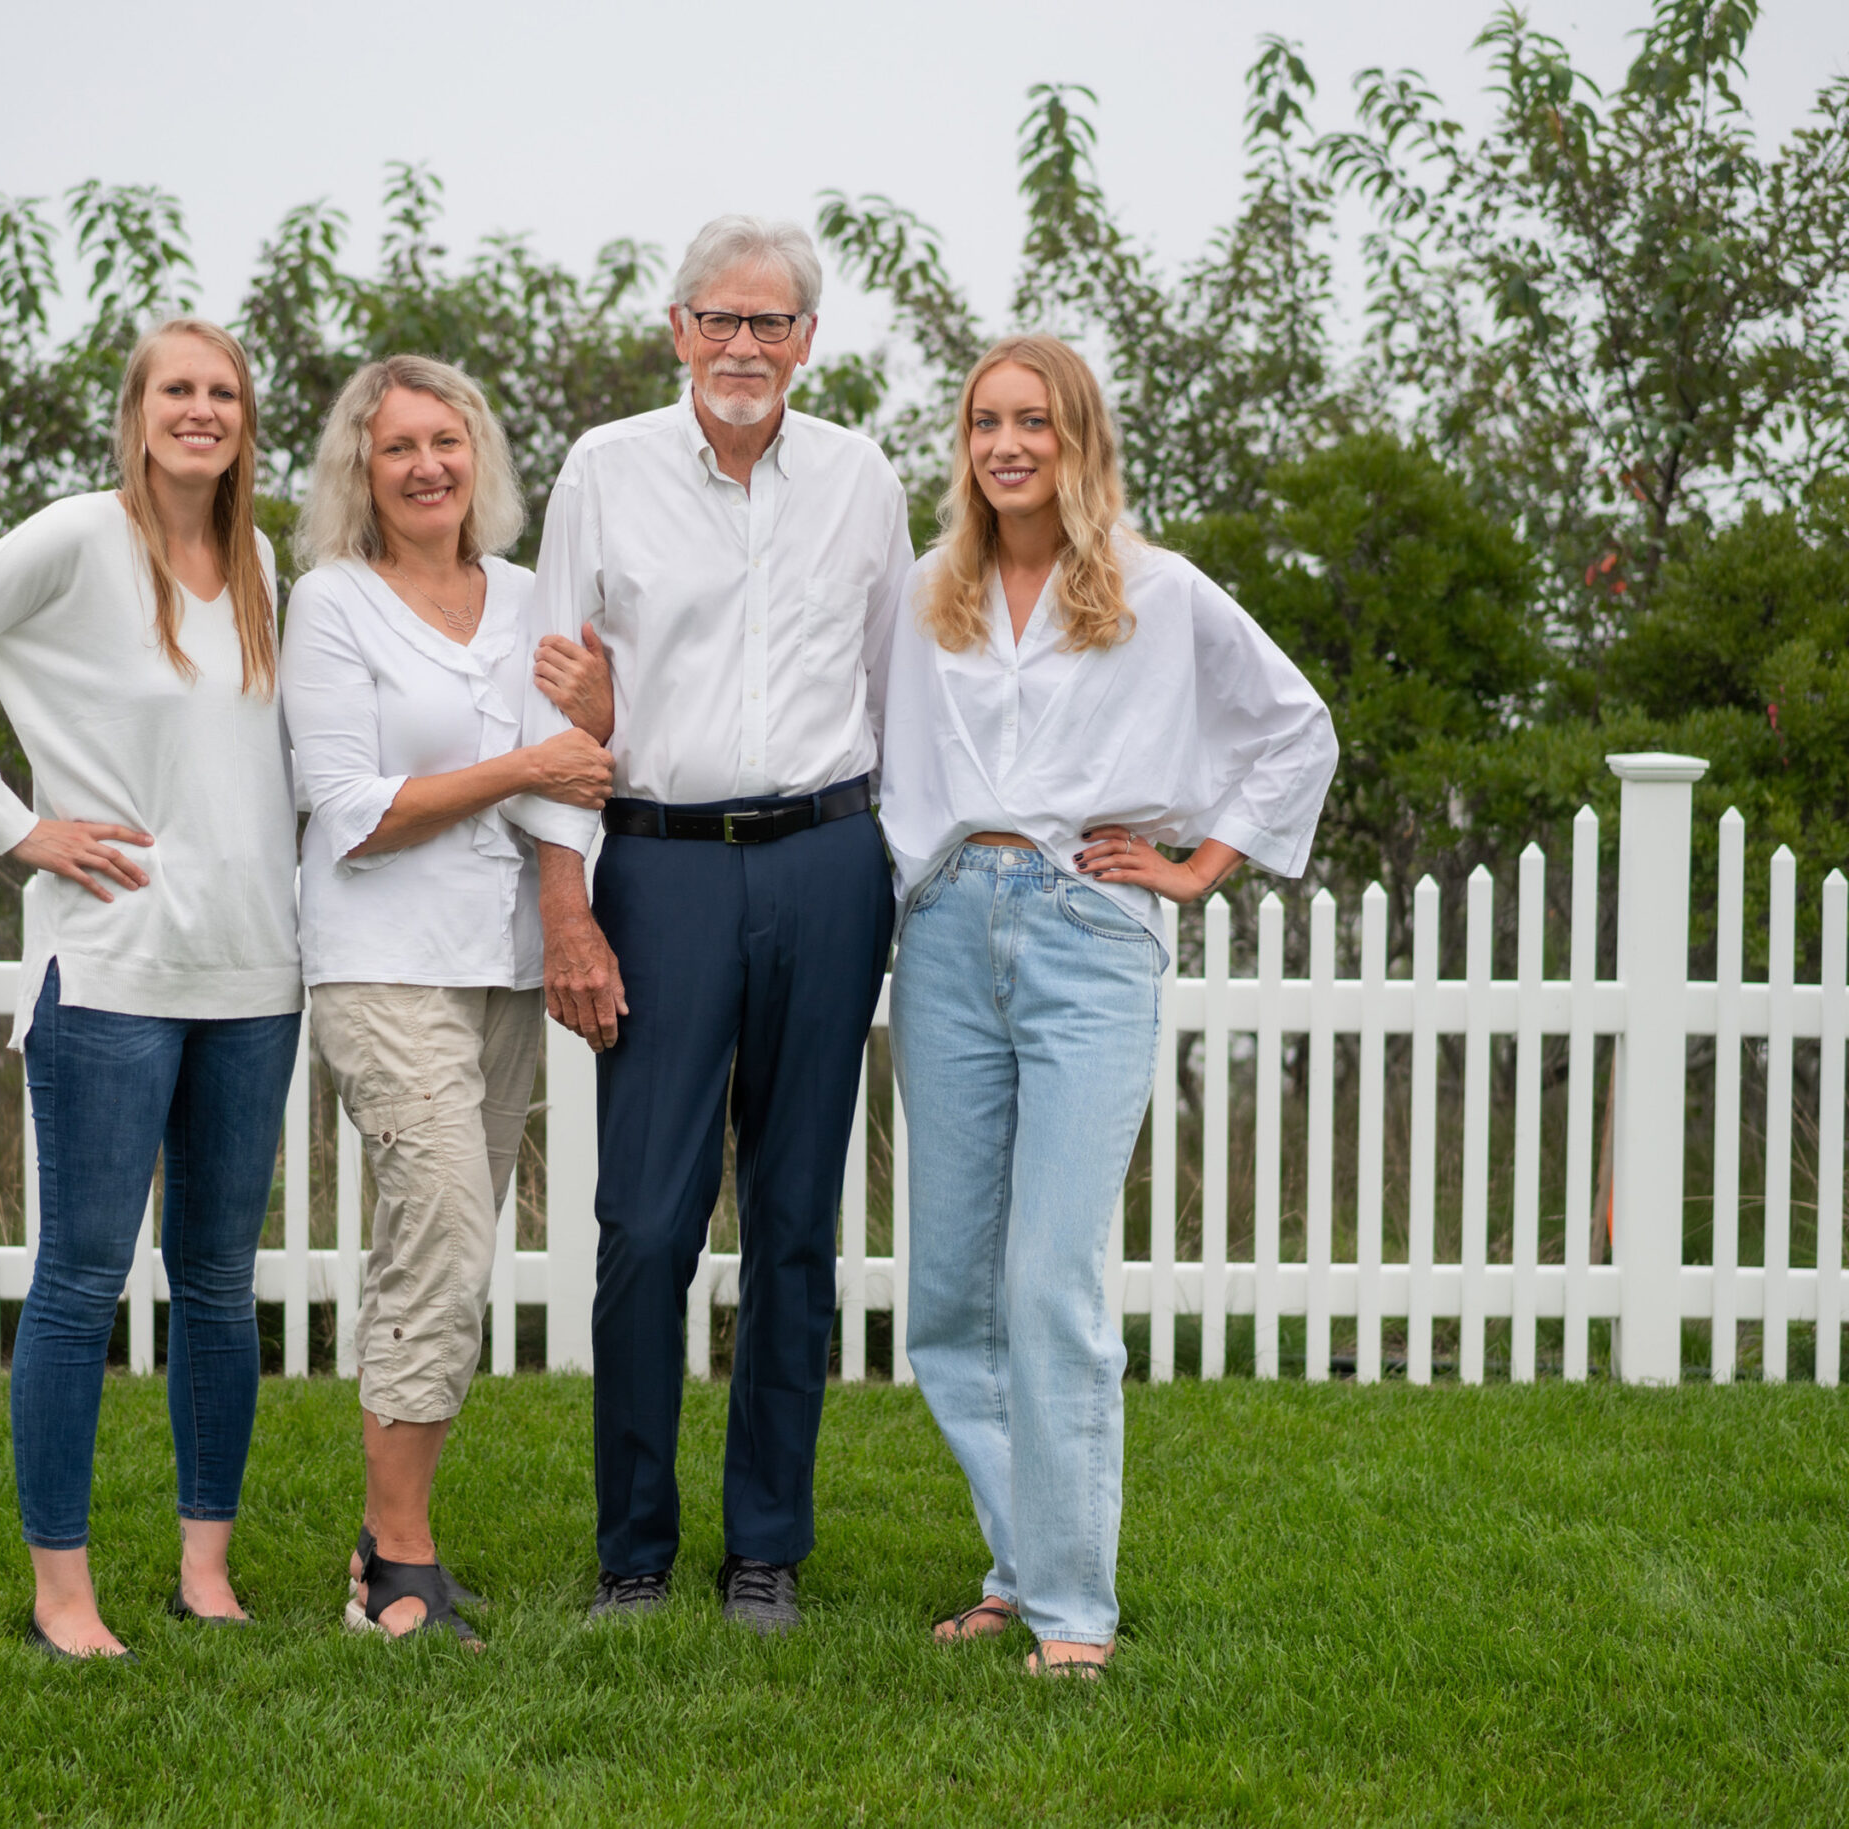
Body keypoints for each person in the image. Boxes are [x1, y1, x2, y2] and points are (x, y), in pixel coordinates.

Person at [879, 334, 1336, 1676]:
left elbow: (1293, 725)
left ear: (1080, 440)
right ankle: (1016, 1568)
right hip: (950, 930)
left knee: (1052, 1280)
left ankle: (1075, 1609)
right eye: (984, 423)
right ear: (963, 447)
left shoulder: (1160, 590)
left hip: (1089, 935)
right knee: (952, 1297)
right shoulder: (926, 592)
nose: (1008, 445)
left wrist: (1200, 864)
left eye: (1035, 422)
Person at [0, 317, 301, 1658]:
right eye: (178, 389)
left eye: (222, 391)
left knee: (218, 1282)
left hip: (252, 972)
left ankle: (204, 1572)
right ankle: (62, 1595)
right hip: (109, 966)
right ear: (138, 407)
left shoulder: (262, 561)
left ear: (243, 417)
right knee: (81, 1279)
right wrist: (12, 822)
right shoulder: (73, 539)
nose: (200, 410)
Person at [515, 216, 914, 1634]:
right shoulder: (605, 474)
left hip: (825, 858)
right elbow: (552, 710)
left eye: (773, 324)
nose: (746, 347)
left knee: (798, 1220)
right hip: (662, 869)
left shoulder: (864, 479)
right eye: (720, 321)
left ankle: (766, 1549)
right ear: (678, 330)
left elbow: (896, 690)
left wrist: (897, 880)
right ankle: (634, 1549)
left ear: (809, 340)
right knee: (644, 1221)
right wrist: (568, 902)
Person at [279, 355, 616, 1644]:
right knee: (443, 1224)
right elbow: (353, 813)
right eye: (400, 446)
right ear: (361, 471)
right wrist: (531, 756)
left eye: (449, 441)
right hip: (380, 961)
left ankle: (386, 1537)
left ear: (480, 458)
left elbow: (582, 780)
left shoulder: (532, 599)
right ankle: (401, 1571)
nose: (428, 466)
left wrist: (589, 726)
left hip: (505, 969)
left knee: (449, 1249)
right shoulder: (333, 604)